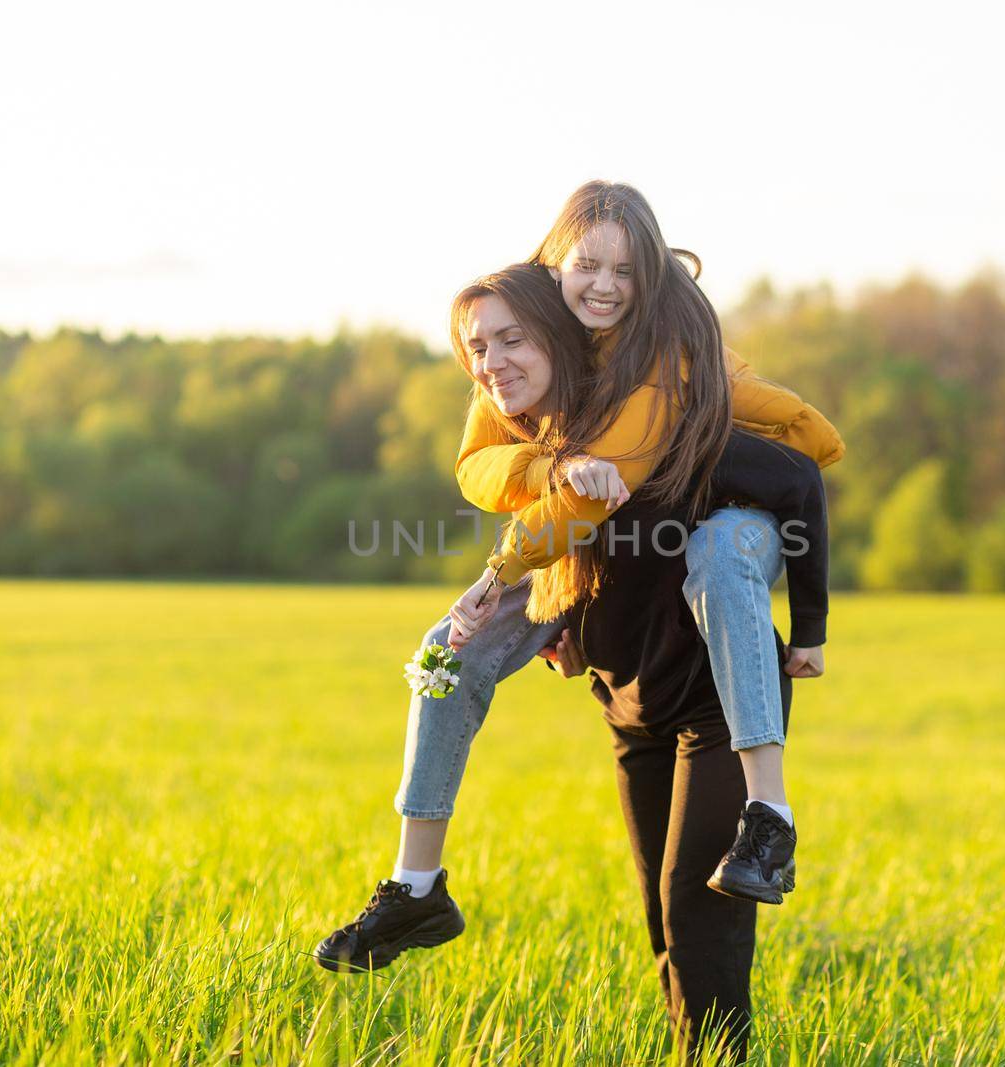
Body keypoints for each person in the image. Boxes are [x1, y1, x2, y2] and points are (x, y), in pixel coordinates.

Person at [315, 182, 843, 968]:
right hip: (593, 578)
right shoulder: (524, 336)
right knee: (444, 653)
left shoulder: (665, 353)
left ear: (650, 277)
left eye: (624, 271)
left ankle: (769, 809)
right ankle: (415, 884)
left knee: (716, 556)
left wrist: (496, 575)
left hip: (732, 511)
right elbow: (477, 465)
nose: (604, 285)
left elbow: (616, 492)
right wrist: (550, 472)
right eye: (586, 265)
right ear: (553, 264)